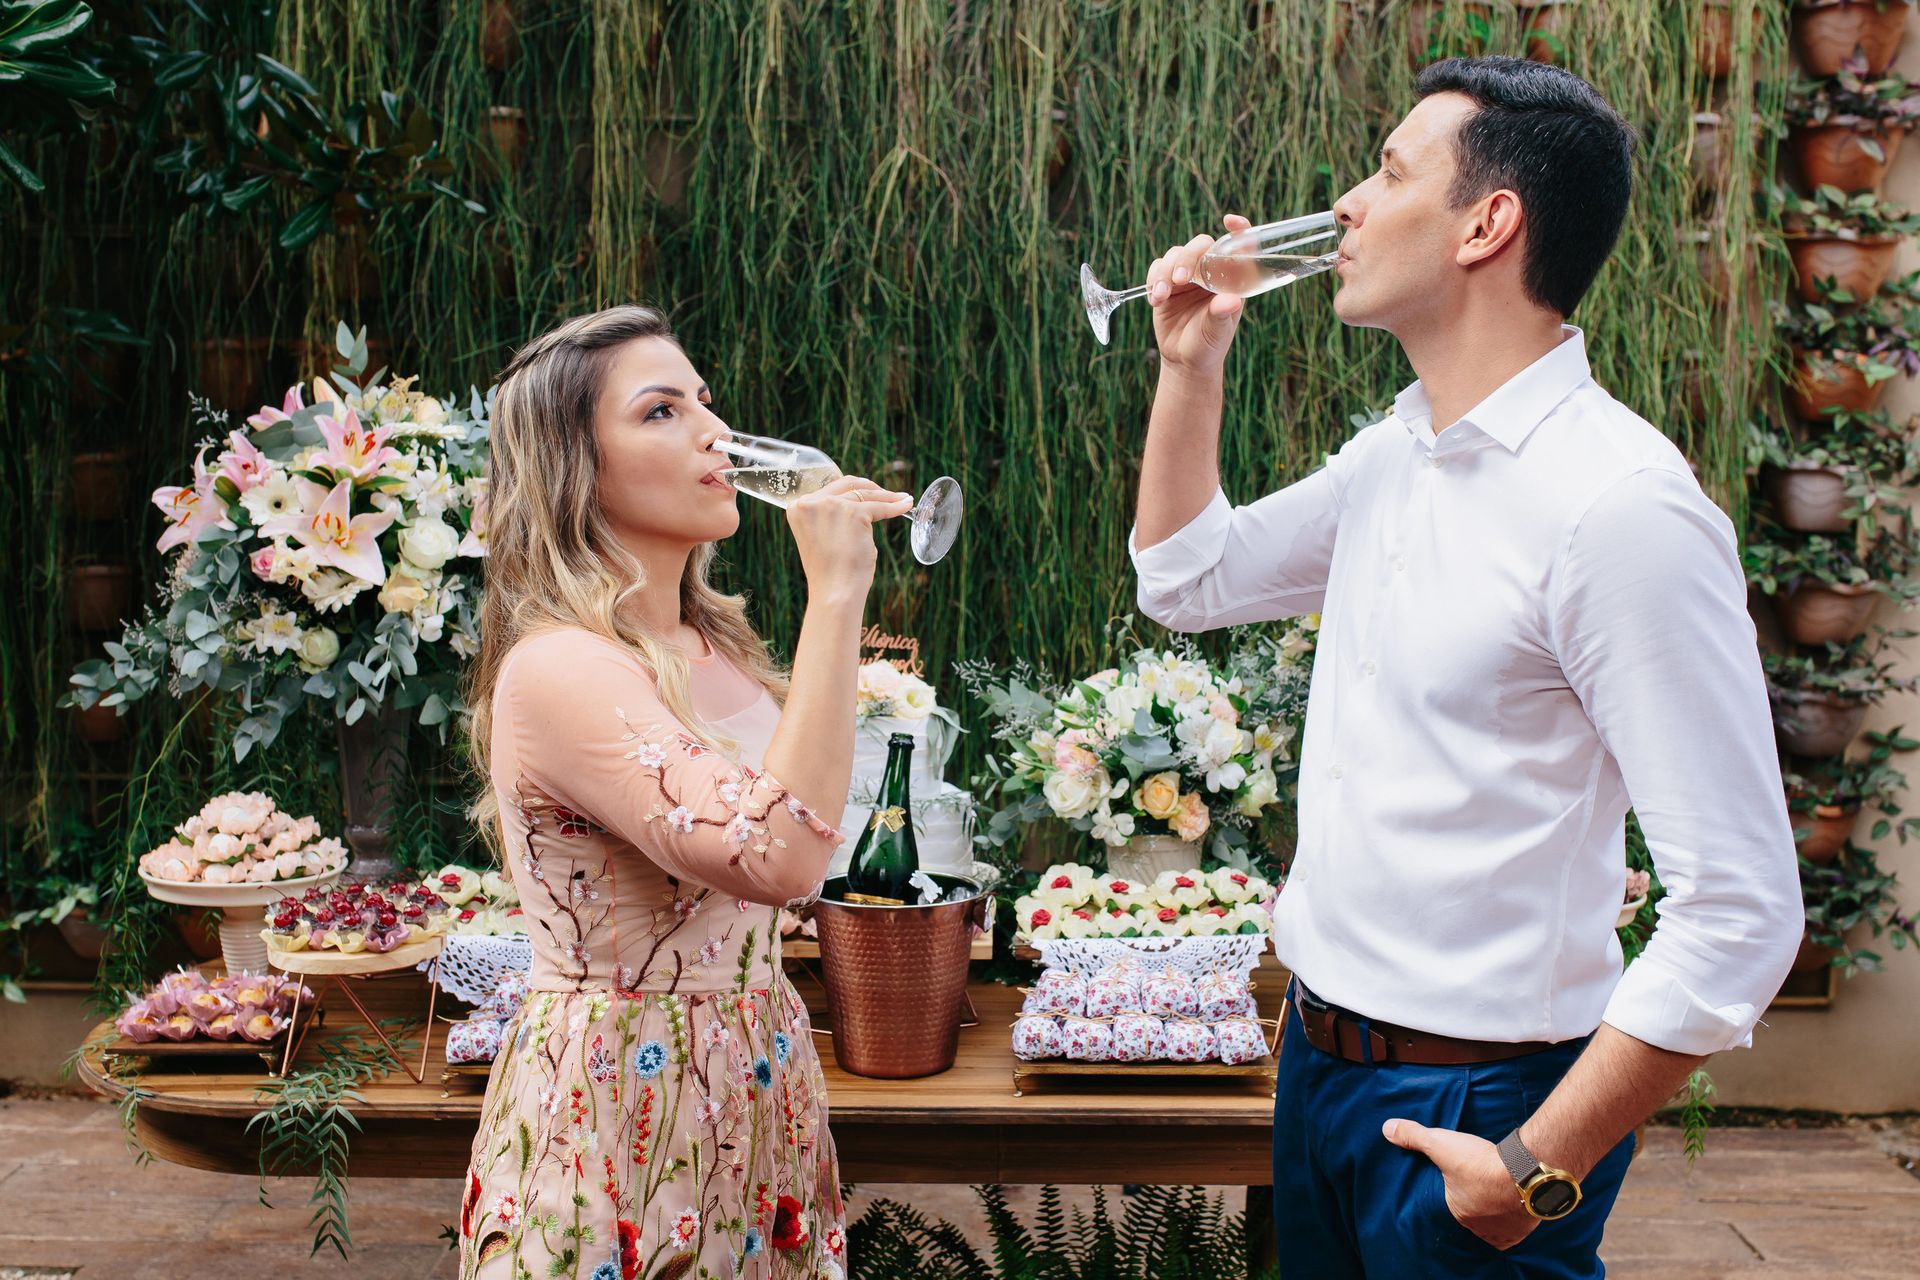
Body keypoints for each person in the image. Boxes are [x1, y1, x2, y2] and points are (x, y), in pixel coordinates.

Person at [1129, 56, 1802, 1278]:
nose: (1345, 203)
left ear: (1489, 224)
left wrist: (1536, 1162)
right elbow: (1186, 579)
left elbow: (1744, 911)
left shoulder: (1621, 509)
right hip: (1319, 1072)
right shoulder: (1395, 454)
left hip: (1483, 1108)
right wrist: (1190, 365)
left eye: (1389, 172)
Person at [457, 304, 910, 1279]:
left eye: (706, 402)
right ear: (573, 463)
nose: (715, 432)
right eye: (662, 411)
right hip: (620, 1099)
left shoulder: (716, 647)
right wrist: (835, 597)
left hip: (752, 1078)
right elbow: (780, 856)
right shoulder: (559, 667)